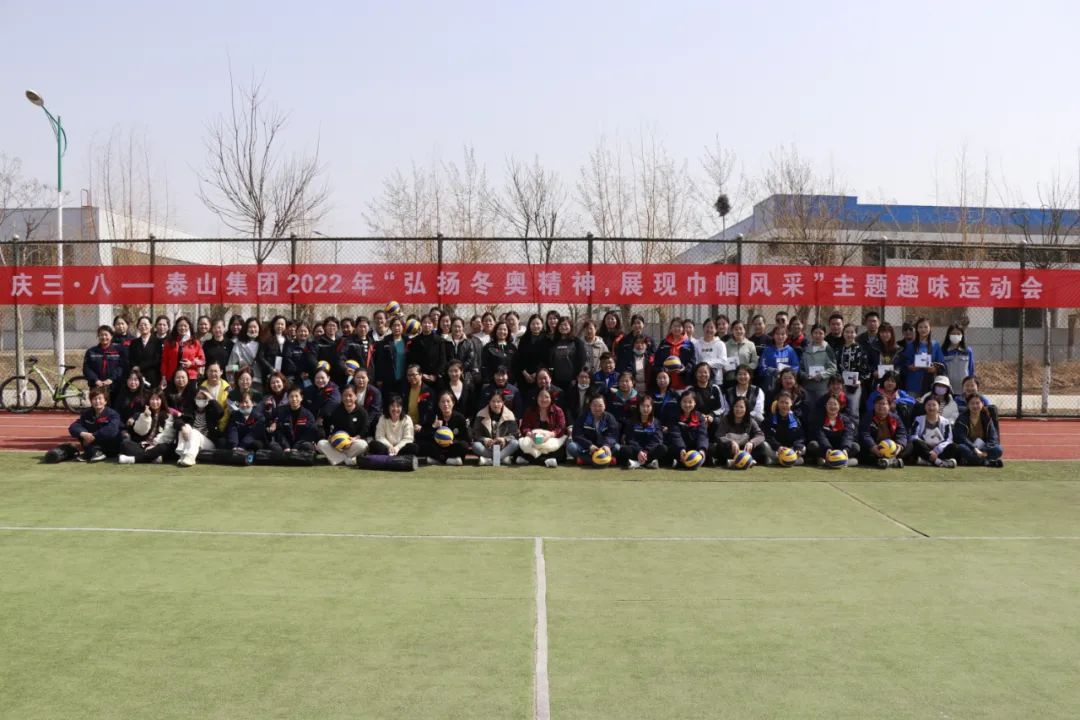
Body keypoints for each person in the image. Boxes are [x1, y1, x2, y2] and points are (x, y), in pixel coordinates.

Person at [316, 385, 371, 466]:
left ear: (355, 396)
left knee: (363, 445)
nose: (347, 398)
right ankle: (346, 460)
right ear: (341, 397)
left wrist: (355, 438)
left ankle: (336, 459)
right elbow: (330, 428)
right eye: (345, 395)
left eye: (350, 395)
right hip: (336, 445)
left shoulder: (362, 412)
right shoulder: (335, 411)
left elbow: (365, 429)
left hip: (353, 443)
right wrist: (331, 438)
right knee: (321, 444)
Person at [711, 396, 768, 468]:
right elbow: (719, 435)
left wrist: (751, 443)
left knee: (762, 447)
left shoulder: (751, 421)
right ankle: (745, 462)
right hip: (730, 450)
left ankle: (737, 462)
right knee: (716, 448)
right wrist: (731, 442)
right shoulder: (725, 420)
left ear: (746, 409)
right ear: (733, 408)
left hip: (745, 450)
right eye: (736, 406)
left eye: (741, 407)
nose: (738, 409)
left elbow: (760, 435)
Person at [267, 385, 320, 463]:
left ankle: (289, 459)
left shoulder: (308, 414)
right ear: (288, 398)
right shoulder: (281, 412)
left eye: (296, 396)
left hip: (301, 444)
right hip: (286, 445)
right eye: (291, 397)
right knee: (274, 446)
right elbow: (279, 432)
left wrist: (296, 447)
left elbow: (310, 433)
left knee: (308, 446)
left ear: (301, 398)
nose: (294, 399)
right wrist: (286, 447)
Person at [518, 388, 568, 468]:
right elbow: (524, 427)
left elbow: (561, 428)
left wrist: (550, 435)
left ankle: (530, 459)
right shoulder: (530, 410)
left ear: (551, 398)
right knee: (521, 447)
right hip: (533, 440)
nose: (543, 399)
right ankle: (545, 461)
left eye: (546, 397)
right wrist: (531, 434)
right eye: (541, 396)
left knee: (560, 452)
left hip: (551, 439)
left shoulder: (558, 411)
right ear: (537, 398)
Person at [69, 388, 122, 462]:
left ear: (105, 401)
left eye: (100, 398)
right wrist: (83, 434)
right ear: (91, 401)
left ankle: (95, 452)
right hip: (93, 443)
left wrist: (93, 436)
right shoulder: (87, 414)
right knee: (80, 434)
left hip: (109, 446)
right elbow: (73, 427)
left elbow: (112, 430)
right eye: (94, 399)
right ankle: (93, 452)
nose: (97, 401)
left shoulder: (113, 414)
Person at [617, 394, 667, 470]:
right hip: (636, 451)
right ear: (639, 407)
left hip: (650, 451)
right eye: (643, 406)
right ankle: (649, 463)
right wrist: (639, 451)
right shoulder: (632, 421)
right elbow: (630, 439)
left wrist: (646, 451)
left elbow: (657, 440)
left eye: (648, 406)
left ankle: (636, 463)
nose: (645, 409)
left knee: (663, 448)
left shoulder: (656, 422)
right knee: (624, 449)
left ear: (652, 407)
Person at [568, 394, 620, 467]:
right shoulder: (583, 417)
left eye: (600, 406)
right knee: (571, 447)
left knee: (617, 447)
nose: (597, 408)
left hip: (604, 448)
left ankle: (585, 460)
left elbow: (613, 434)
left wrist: (607, 445)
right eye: (594, 405)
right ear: (590, 406)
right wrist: (589, 445)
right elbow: (577, 435)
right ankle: (604, 461)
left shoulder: (610, 418)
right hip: (588, 448)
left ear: (605, 406)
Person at [806, 395, 860, 466]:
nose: (832, 406)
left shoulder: (846, 419)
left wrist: (845, 449)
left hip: (840, 449)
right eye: (830, 404)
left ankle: (830, 461)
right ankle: (840, 462)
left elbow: (848, 435)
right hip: (825, 449)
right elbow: (820, 435)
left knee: (855, 446)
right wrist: (828, 448)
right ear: (826, 406)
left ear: (839, 406)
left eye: (835, 404)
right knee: (813, 445)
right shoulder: (819, 419)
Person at [953, 394, 1004, 468]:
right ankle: (987, 462)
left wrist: (984, 450)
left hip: (983, 448)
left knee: (998, 449)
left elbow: (993, 437)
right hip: (969, 447)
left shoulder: (987, 418)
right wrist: (974, 448)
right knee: (961, 448)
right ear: (968, 405)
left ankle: (974, 461)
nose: (975, 406)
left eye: (977, 403)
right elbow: (960, 438)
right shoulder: (961, 419)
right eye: (972, 403)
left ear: (982, 404)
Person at [859, 395, 909, 469]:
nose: (881, 406)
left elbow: (902, 433)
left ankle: (887, 461)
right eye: (878, 403)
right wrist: (873, 447)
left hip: (892, 448)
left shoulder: (895, 418)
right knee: (861, 451)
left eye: (884, 404)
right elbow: (865, 434)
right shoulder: (867, 417)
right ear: (874, 405)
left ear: (889, 406)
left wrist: (899, 446)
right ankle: (892, 461)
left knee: (910, 445)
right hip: (876, 448)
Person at [662, 391, 709, 470]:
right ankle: (679, 461)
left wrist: (702, 449)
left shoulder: (700, 416)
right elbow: (675, 435)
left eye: (690, 402)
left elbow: (703, 435)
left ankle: (687, 462)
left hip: (694, 448)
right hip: (679, 448)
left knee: (711, 449)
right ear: (680, 402)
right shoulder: (674, 416)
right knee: (667, 449)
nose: (687, 405)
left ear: (695, 403)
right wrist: (681, 449)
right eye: (684, 402)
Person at [471, 392, 520, 466]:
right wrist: (484, 439)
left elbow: (515, 434)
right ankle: (501, 458)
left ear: (503, 402)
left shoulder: (510, 415)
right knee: (475, 445)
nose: (496, 404)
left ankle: (489, 460)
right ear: (489, 402)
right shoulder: (481, 414)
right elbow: (475, 434)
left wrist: (504, 439)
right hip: (487, 447)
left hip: (503, 447)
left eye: (498, 402)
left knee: (515, 443)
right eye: (493, 401)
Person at [898, 317, 943, 396]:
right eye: (920, 327)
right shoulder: (910, 345)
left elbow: (941, 363)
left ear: (930, 328)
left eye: (925, 327)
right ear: (916, 329)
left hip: (929, 383)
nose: (923, 329)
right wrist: (910, 367)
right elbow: (904, 362)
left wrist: (935, 369)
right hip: (913, 384)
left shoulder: (935, 345)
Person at [909, 396, 957, 468]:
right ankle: (939, 462)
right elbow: (913, 436)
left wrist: (936, 450)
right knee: (916, 442)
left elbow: (948, 439)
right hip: (924, 447)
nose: (931, 408)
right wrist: (925, 444)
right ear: (924, 407)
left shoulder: (945, 422)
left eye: (934, 405)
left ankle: (927, 461)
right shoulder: (918, 419)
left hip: (939, 449)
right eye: (928, 405)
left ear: (938, 407)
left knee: (953, 446)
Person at [836, 323, 869, 423]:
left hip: (855, 386)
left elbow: (866, 369)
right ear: (843, 333)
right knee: (839, 409)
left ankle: (854, 431)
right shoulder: (839, 350)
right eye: (847, 332)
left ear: (856, 334)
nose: (849, 334)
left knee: (853, 412)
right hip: (840, 386)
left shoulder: (860, 350)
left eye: (852, 332)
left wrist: (860, 381)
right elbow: (835, 367)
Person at [799, 324, 837, 407]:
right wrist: (805, 375)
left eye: (821, 333)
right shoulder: (806, 348)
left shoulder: (828, 349)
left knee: (821, 409)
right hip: (807, 387)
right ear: (811, 334)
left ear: (824, 334)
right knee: (808, 409)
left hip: (822, 388)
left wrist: (821, 375)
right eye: (815, 333)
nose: (818, 335)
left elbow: (833, 368)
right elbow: (801, 368)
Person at [763, 391, 805, 466]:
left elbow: (800, 437)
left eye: (786, 403)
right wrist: (778, 447)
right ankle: (788, 461)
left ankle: (777, 461)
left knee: (803, 448)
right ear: (777, 403)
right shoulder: (771, 418)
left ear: (791, 403)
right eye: (781, 402)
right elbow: (768, 436)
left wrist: (795, 449)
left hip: (791, 450)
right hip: (776, 450)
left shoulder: (795, 419)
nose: (784, 405)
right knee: (764, 444)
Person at [160, 316, 205, 385]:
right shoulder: (169, 342)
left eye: (185, 326)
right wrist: (163, 377)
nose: (183, 328)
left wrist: (191, 363)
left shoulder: (195, 342)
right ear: (176, 327)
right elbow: (164, 361)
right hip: (172, 377)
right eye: (180, 326)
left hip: (190, 378)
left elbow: (202, 361)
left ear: (189, 327)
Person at [653, 318, 696, 391]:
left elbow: (692, 362)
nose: (676, 328)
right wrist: (663, 370)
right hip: (666, 385)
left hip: (684, 385)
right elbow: (657, 361)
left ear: (683, 328)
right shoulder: (664, 343)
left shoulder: (689, 344)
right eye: (674, 326)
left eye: (679, 326)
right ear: (670, 328)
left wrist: (684, 369)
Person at [407, 315, 449, 386]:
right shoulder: (415, 341)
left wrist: (435, 375)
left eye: (429, 323)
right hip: (419, 378)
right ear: (421, 324)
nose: (427, 325)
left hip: (436, 378)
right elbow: (412, 360)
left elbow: (443, 360)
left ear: (433, 325)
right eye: (424, 322)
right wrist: (420, 374)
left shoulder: (440, 340)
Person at [548, 316, 587, 392]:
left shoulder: (577, 342)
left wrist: (576, 377)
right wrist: (551, 373)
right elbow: (550, 362)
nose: (563, 327)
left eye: (565, 325)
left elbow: (581, 361)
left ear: (570, 326)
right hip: (556, 380)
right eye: (561, 325)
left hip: (572, 381)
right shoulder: (554, 342)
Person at [83, 325, 125, 394]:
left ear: (111, 336)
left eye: (106, 335)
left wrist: (111, 379)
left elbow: (121, 367)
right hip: (96, 386)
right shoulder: (91, 351)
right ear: (98, 336)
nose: (104, 337)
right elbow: (87, 368)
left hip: (114, 386)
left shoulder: (118, 351)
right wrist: (95, 380)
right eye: (101, 335)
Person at [372, 316, 408, 392]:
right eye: (394, 325)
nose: (396, 328)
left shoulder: (408, 341)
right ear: (390, 327)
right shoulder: (384, 342)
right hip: (389, 379)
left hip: (405, 378)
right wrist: (379, 378)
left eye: (399, 325)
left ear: (403, 327)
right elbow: (379, 361)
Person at [686, 361, 727, 427]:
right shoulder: (690, 390)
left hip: (712, 418)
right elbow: (687, 407)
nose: (703, 374)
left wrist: (711, 415)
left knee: (717, 421)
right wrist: (701, 416)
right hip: (696, 418)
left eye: (705, 372)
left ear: (710, 373)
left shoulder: (715, 388)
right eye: (700, 372)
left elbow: (722, 408)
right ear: (695, 374)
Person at [514, 314, 549, 390]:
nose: (535, 326)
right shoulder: (524, 339)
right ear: (529, 325)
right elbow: (519, 358)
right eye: (533, 324)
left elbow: (547, 359)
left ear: (542, 325)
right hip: (524, 375)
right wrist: (525, 374)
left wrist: (537, 373)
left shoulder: (547, 339)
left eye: (538, 324)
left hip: (540, 375)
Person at [127, 316, 163, 388]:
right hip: (137, 376)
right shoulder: (134, 342)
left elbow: (157, 360)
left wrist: (140, 367)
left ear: (151, 326)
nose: (143, 327)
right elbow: (131, 358)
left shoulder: (157, 342)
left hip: (153, 376)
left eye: (145, 324)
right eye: (141, 325)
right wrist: (135, 368)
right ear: (138, 327)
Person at [227, 318, 263, 388]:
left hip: (259, 382)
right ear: (246, 329)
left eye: (255, 327)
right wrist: (231, 381)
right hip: (243, 381)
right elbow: (232, 364)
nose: (253, 329)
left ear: (259, 328)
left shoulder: (263, 344)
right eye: (250, 327)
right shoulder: (239, 345)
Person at [940, 323, 975, 396]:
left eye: (958, 333)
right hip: (948, 388)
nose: (955, 335)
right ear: (948, 335)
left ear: (962, 335)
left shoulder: (968, 351)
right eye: (953, 333)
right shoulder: (943, 351)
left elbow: (971, 369)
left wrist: (971, 384)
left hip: (964, 389)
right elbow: (941, 369)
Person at [445, 317, 480, 388]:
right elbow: (444, 358)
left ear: (462, 328)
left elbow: (470, 359)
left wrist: (460, 370)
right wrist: (452, 370)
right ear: (451, 327)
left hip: (464, 374)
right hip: (449, 374)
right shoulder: (445, 342)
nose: (457, 329)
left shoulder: (468, 342)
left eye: (459, 326)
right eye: (455, 326)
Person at [111, 369, 147, 435]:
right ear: (127, 381)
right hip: (123, 426)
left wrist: (134, 417)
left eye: (135, 380)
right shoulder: (122, 394)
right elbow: (116, 412)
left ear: (140, 381)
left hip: (139, 427)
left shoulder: (145, 394)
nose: (133, 382)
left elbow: (144, 411)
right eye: (130, 379)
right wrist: (123, 428)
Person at [692, 318, 728, 384]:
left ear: (716, 330)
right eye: (707, 327)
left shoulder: (720, 344)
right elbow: (695, 360)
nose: (709, 330)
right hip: (701, 379)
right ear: (703, 328)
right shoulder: (697, 344)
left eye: (712, 327)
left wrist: (707, 364)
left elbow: (723, 361)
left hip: (716, 380)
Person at [723, 320, 758, 387]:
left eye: (740, 328)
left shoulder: (750, 344)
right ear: (732, 331)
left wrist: (745, 368)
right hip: (731, 378)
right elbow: (723, 361)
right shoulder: (726, 345)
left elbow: (755, 362)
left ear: (744, 330)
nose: (738, 331)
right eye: (736, 329)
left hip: (745, 378)